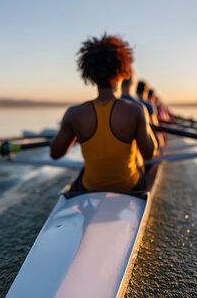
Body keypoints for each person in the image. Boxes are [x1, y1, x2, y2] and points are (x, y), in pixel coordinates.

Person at [50, 34, 158, 192]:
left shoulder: (73, 114)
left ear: (90, 74)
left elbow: (55, 153)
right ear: (123, 70)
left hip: (90, 188)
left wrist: (75, 133)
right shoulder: (136, 111)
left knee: (82, 173)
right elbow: (149, 154)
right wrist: (145, 124)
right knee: (140, 164)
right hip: (129, 187)